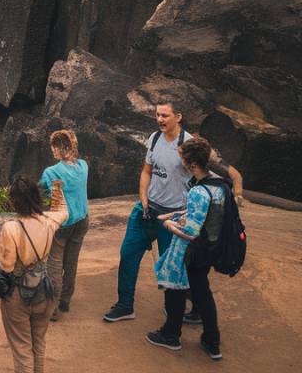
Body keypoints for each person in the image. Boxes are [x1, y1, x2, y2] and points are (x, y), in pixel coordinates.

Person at [103, 102, 243, 323]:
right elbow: (146, 171)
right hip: (147, 210)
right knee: (128, 255)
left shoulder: (189, 145)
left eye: (165, 115)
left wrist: (238, 190)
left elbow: (226, 170)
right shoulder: (155, 138)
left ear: (178, 116)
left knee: (174, 268)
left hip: (174, 215)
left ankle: (178, 310)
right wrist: (143, 197)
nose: (160, 119)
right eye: (157, 115)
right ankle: (124, 305)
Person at [148, 137, 225, 360]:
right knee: (203, 293)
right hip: (210, 248)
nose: (179, 160)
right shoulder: (218, 184)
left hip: (191, 251)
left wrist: (168, 224)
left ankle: (170, 335)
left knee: (175, 289)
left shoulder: (197, 192)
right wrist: (176, 214)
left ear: (191, 163)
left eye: (182, 157)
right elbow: (203, 214)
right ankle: (212, 342)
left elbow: (190, 232)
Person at [0, 176, 68, 373]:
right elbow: (63, 210)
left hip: (19, 294)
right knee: (39, 343)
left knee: (22, 350)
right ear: (37, 197)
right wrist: (56, 188)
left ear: (14, 201)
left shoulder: (11, 228)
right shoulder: (49, 220)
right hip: (45, 291)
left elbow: (8, 267)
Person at [39, 129, 88, 320]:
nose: (52, 151)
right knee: (71, 262)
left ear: (59, 148)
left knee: (54, 264)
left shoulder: (51, 172)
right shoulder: (83, 167)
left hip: (62, 223)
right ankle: (66, 300)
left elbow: (41, 189)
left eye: (53, 147)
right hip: (82, 221)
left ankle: (53, 307)